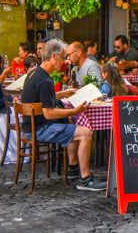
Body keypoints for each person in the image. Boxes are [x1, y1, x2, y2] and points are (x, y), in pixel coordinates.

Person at [21, 40, 106, 191]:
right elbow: (48, 113)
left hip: (30, 126)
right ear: (54, 56)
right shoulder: (45, 80)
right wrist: (74, 111)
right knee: (85, 132)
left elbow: (43, 97)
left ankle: (73, 168)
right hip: (40, 128)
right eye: (63, 57)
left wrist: (62, 93)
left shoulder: (34, 73)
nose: (65, 61)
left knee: (72, 126)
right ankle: (85, 178)